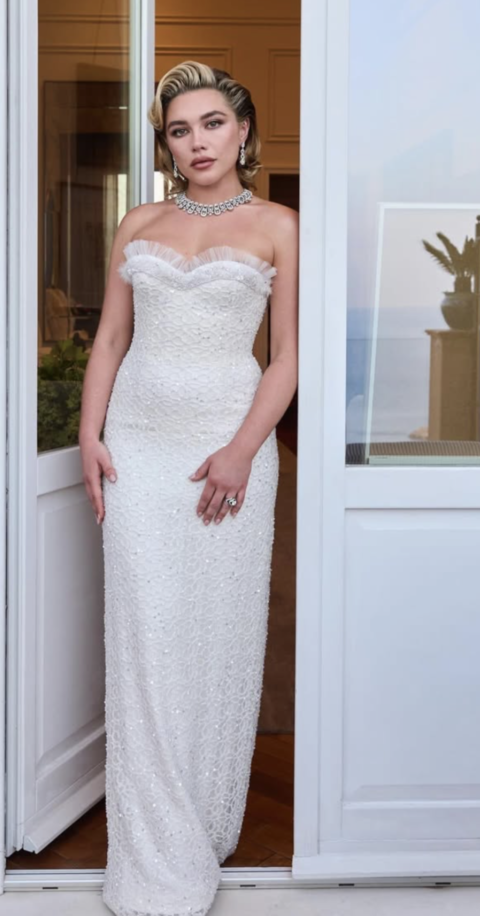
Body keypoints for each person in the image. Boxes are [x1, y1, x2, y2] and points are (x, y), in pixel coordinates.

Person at [79, 60, 299, 916]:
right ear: (166, 145)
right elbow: (107, 343)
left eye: (212, 123)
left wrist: (246, 447)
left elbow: (287, 356)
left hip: (228, 450)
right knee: (145, 632)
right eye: (179, 129)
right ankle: (151, 845)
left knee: (214, 631)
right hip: (135, 447)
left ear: (242, 131)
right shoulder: (138, 220)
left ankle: (201, 818)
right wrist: (90, 437)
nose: (197, 141)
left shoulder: (280, 225)